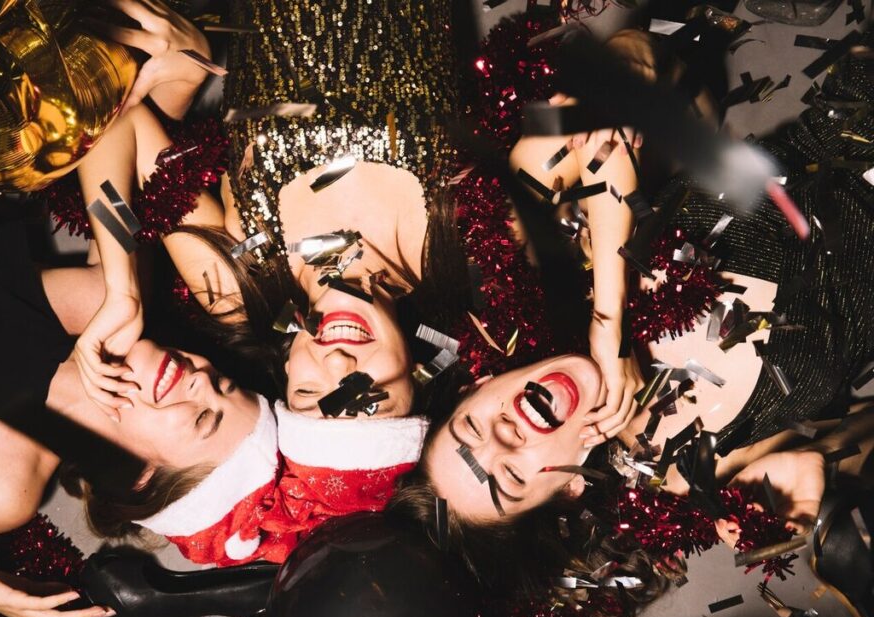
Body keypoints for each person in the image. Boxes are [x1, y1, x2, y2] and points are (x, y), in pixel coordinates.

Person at [390, 24, 874, 617]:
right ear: (565, 489)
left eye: (472, 428)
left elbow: (619, 69)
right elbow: (848, 434)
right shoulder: (683, 480)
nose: (504, 437)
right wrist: (808, 479)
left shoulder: (527, 269)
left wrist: (608, 326)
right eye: (509, 479)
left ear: (477, 383)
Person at [48, 0, 646, 436]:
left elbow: (117, 128)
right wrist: (607, 327)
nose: (338, 363)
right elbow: (596, 136)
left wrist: (121, 293)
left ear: (283, 379)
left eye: (308, 393)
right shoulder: (462, 248)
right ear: (417, 376)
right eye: (372, 398)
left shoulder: (236, 288)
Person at [0, 149, 264, 617]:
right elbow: (118, 153)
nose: (200, 380)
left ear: (142, 479)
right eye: (223, 383)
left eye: (202, 417)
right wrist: (122, 286)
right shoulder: (99, 301)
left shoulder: (0, 486)